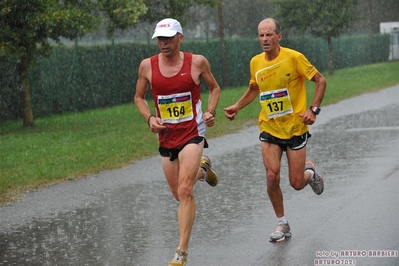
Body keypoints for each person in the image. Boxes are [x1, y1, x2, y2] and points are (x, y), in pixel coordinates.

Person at [224, 18, 327, 242]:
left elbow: (320, 80)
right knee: (272, 176)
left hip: (295, 128)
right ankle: (282, 224)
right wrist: (237, 106)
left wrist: (314, 110)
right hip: (269, 127)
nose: (264, 39)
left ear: (278, 36)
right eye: (261, 35)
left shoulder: (294, 57)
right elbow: (254, 87)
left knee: (296, 183)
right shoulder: (256, 62)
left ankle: (310, 174)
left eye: (269, 35)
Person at [134, 18, 221, 265]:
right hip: (167, 137)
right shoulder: (147, 67)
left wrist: (210, 112)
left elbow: (214, 88)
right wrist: (149, 117)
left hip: (193, 132)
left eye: (169, 38)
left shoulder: (197, 62)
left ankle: (181, 252)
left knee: (185, 190)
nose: (164, 43)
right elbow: (139, 97)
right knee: (177, 193)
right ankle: (203, 170)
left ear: (180, 38)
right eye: (160, 39)